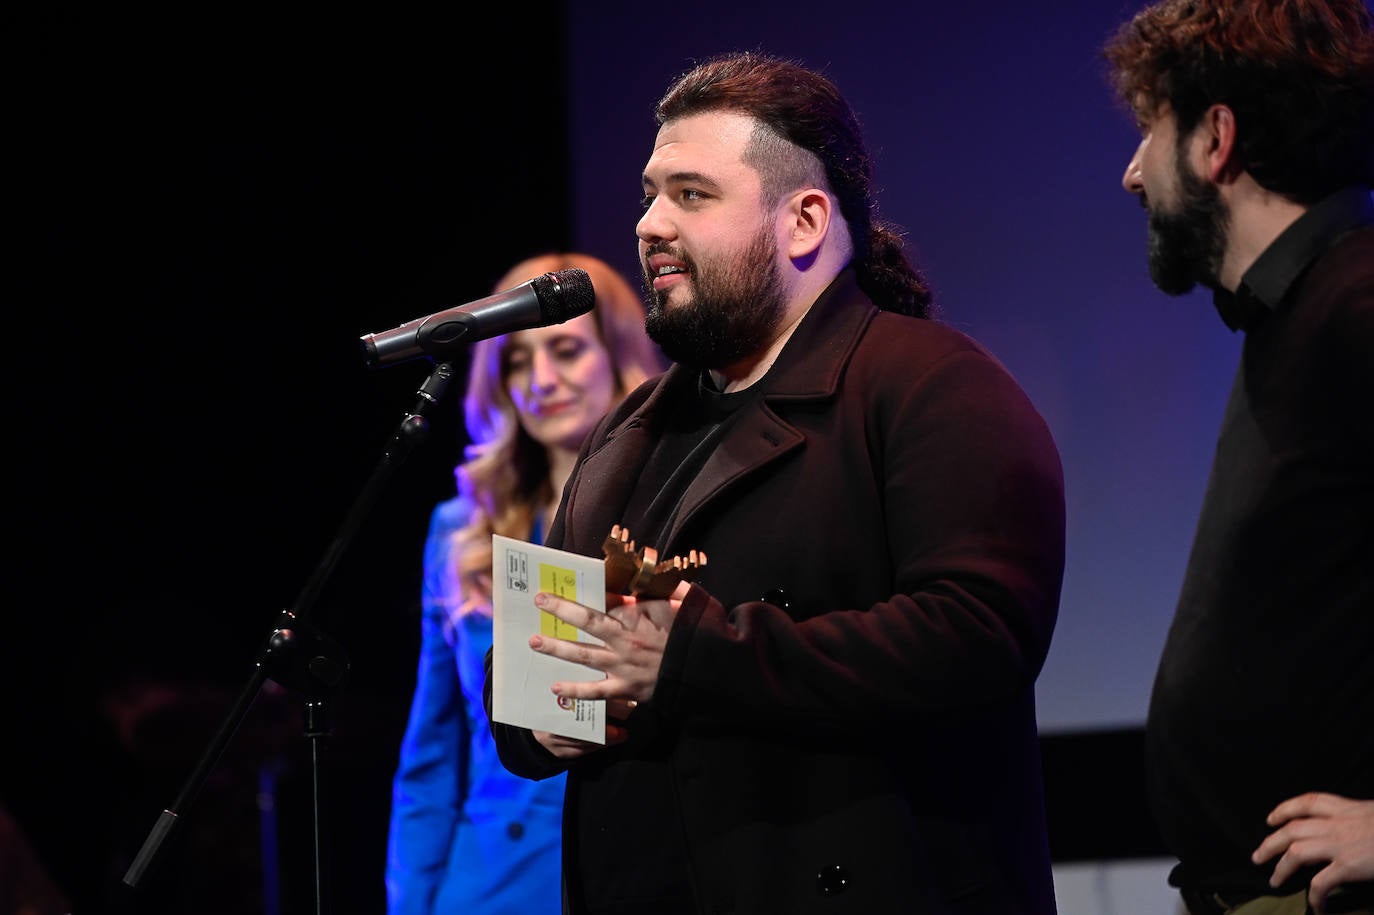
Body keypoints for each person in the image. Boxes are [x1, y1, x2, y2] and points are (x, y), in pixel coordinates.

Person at [484, 51, 1067, 914]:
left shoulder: (932, 385)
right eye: (649, 192)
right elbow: (535, 656)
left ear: (803, 221)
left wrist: (699, 656)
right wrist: (535, 710)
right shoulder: (632, 427)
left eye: (690, 194)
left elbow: (977, 636)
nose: (647, 222)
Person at [1103, 2, 1374, 913]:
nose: (1133, 171)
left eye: (1152, 129)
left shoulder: (1358, 302)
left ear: (1216, 138)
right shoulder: (1299, 316)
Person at [386, 252, 668, 915]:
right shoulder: (462, 529)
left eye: (566, 350)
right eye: (517, 360)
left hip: (631, 870)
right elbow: (433, 751)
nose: (541, 379)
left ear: (616, 355)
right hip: (487, 884)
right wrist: (411, 899)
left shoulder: (674, 503)